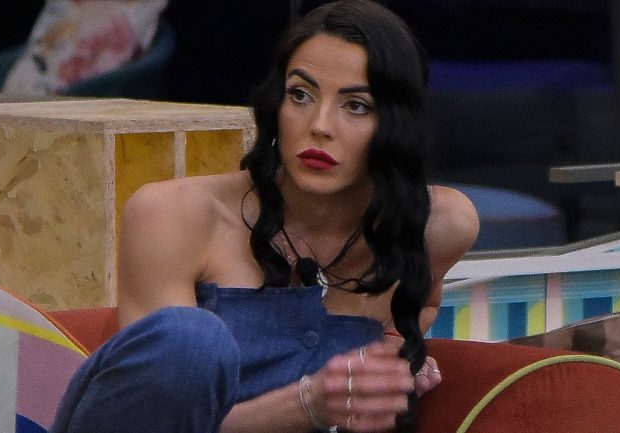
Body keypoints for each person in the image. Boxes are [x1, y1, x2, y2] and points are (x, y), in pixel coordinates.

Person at [51, 1, 478, 432]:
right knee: (192, 339)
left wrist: (395, 355)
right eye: (300, 95)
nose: (320, 125)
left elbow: (424, 304)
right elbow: (161, 419)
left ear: (396, 124)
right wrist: (310, 404)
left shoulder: (434, 225)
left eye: (356, 105)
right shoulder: (172, 213)